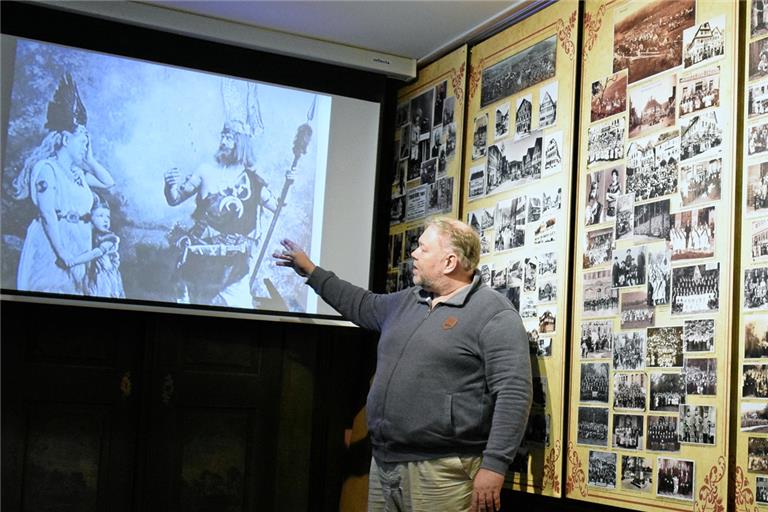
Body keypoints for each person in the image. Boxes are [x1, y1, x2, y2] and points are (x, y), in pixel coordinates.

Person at [275, 218, 532, 512]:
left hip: (443, 471)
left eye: (423, 248)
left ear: (449, 261)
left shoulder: (492, 313)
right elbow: (359, 303)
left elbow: (514, 392)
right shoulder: (408, 301)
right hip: (386, 462)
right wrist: (311, 271)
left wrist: (495, 465)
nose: (414, 254)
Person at [13, 73, 115, 295]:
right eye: (82, 141)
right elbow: (47, 213)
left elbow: (108, 182)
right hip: (52, 244)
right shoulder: (47, 169)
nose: (85, 146)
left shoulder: (78, 173)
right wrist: (62, 254)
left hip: (79, 241)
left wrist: (91, 160)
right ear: (66, 140)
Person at [164, 118, 277, 307]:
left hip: (233, 266)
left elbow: (278, 207)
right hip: (198, 259)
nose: (223, 142)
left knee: (239, 311)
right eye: (223, 136)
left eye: (229, 138)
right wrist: (169, 185)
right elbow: (174, 199)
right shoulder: (205, 171)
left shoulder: (254, 181)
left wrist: (288, 184)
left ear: (240, 143)